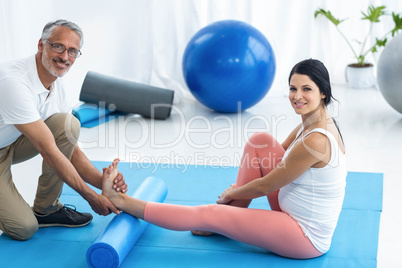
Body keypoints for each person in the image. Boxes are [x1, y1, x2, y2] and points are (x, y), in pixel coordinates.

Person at [101, 59, 347, 259]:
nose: (297, 96)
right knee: (260, 141)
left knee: (208, 213)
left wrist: (233, 193)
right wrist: (240, 192)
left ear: (323, 92)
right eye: (293, 88)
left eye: (307, 89)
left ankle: (123, 201)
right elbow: (276, 161)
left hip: (304, 235)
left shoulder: (317, 139)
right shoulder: (314, 121)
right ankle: (230, 217)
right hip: (291, 205)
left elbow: (267, 184)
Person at [0, 19, 128, 241]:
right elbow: (48, 150)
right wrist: (90, 196)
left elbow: (70, 150)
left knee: (68, 124)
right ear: (41, 44)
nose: (64, 56)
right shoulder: (14, 81)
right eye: (58, 46)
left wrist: (103, 183)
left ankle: (47, 209)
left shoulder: (57, 87)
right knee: (24, 228)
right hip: (8, 144)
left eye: (72, 51)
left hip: (8, 143)